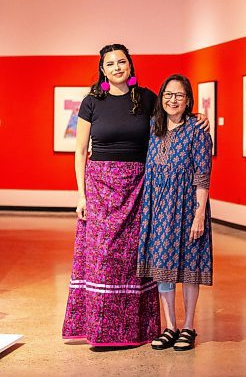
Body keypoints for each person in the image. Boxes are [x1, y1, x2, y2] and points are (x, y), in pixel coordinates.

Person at [62, 45, 209, 347]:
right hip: (100, 188)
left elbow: (174, 117)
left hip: (139, 187)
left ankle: (139, 328)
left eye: (122, 62)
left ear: (130, 65)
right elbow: (79, 152)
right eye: (110, 64)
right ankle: (101, 328)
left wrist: (200, 117)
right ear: (102, 69)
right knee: (102, 258)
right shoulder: (92, 102)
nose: (117, 68)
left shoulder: (146, 99)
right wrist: (81, 195)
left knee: (135, 259)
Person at [137, 74, 213, 352]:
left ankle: (189, 327)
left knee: (190, 268)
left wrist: (199, 214)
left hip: (187, 207)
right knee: (163, 270)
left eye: (179, 95)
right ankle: (170, 326)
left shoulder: (197, 129)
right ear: (161, 98)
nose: (173, 100)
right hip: (158, 208)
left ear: (188, 100)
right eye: (168, 94)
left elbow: (203, 175)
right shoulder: (153, 128)